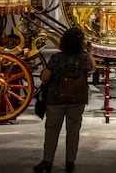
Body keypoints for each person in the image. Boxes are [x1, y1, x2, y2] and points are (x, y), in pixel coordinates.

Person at [34, 27, 95, 173]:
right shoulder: (83, 58)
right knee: (73, 130)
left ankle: (47, 161)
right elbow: (92, 69)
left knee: (52, 130)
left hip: (56, 98)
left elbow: (45, 77)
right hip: (77, 98)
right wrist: (90, 52)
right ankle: (70, 162)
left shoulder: (57, 57)